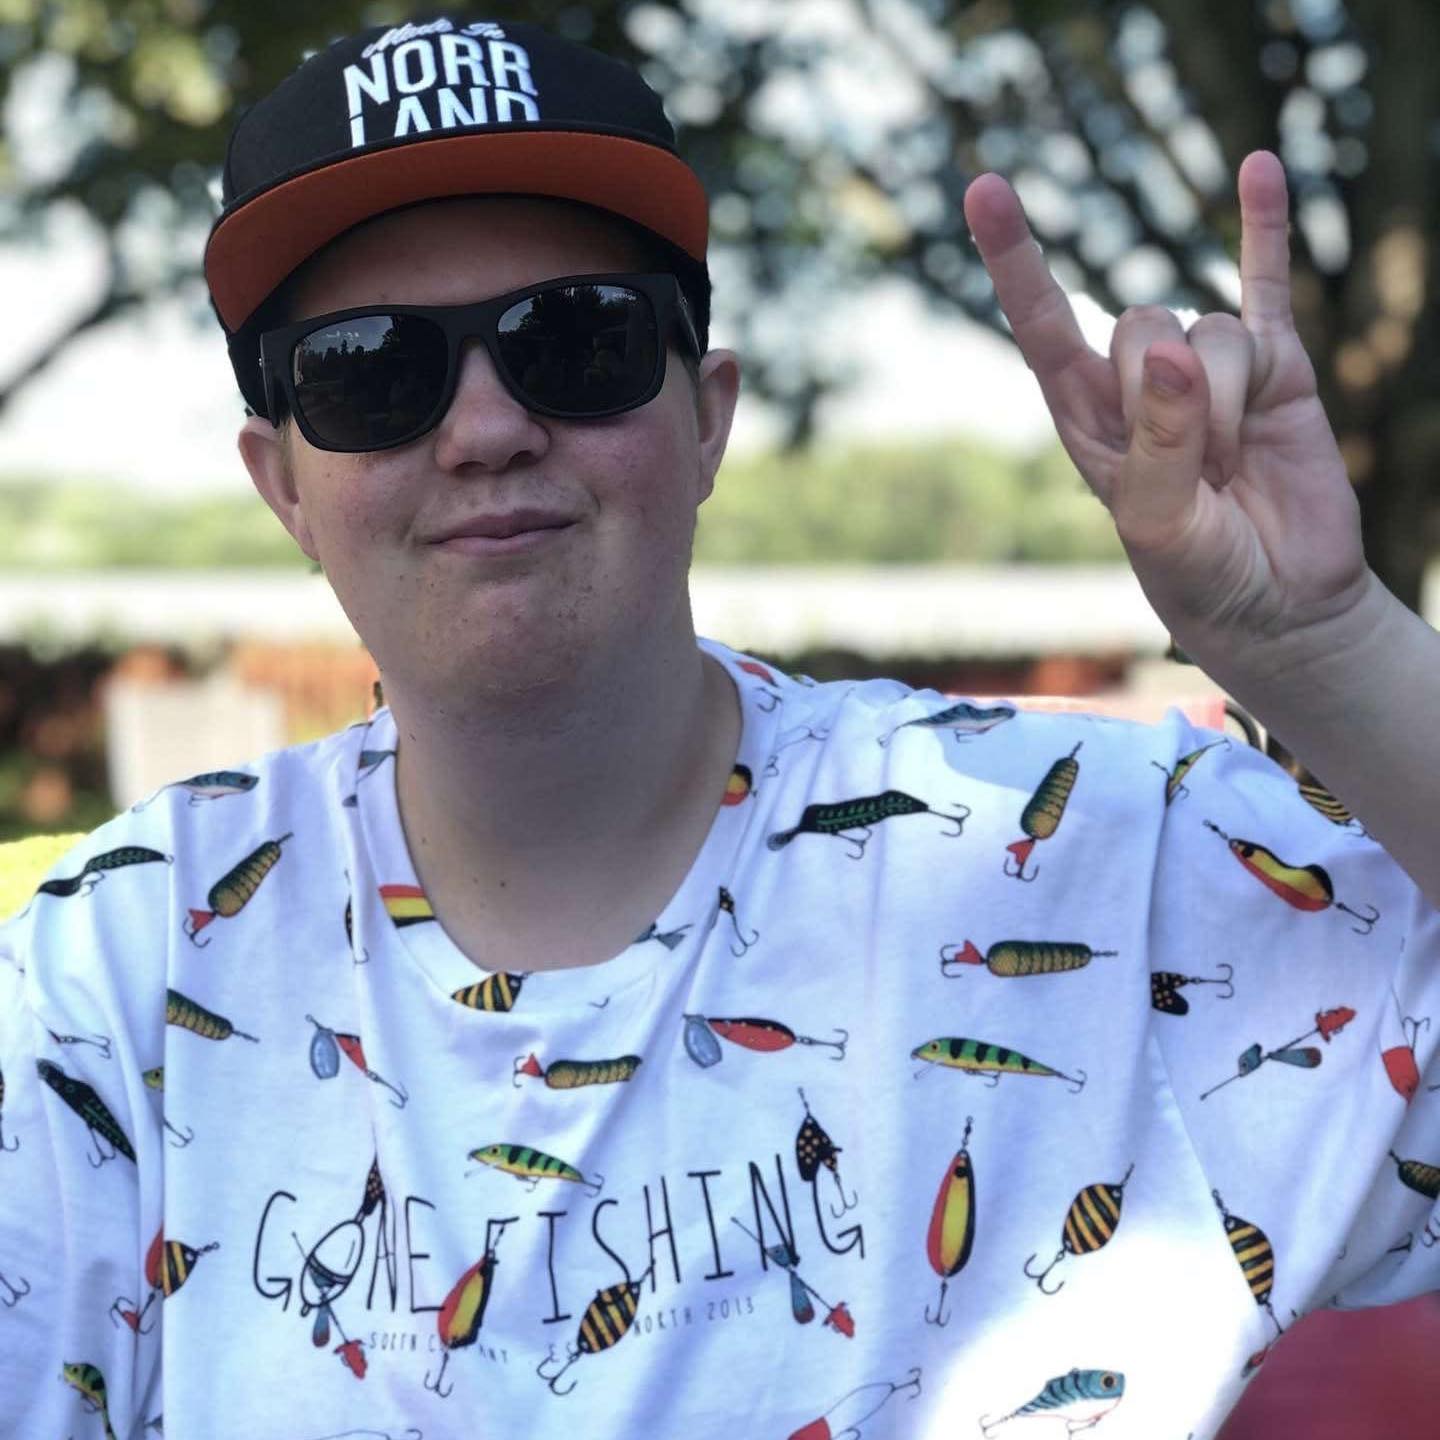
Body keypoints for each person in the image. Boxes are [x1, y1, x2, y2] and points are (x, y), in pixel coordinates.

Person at [2, 14, 1438, 1440]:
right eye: (369, 370)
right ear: (284, 487)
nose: (485, 429)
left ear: (708, 417)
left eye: (578, 340)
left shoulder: (1107, 858)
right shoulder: (121, 974)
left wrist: (1326, 647)